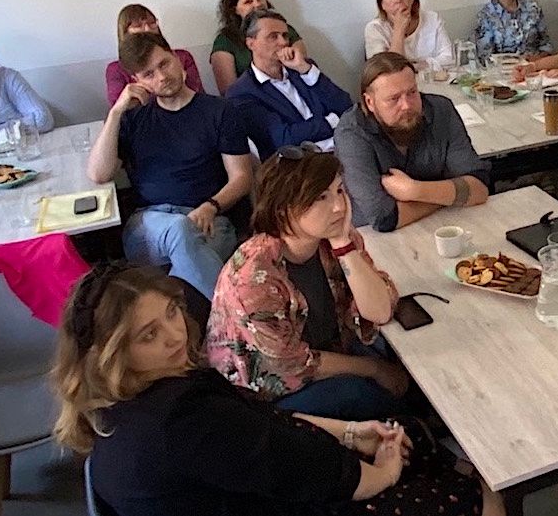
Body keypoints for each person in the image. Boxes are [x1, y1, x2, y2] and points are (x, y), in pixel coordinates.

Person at [53, 263, 502, 516]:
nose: (174, 335)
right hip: (274, 501)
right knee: (470, 498)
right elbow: (308, 472)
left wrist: (350, 433)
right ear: (113, 354)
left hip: (254, 487)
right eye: (148, 335)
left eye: (171, 313)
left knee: (403, 431)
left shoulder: (123, 400)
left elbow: (260, 423)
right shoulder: (182, 420)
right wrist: (382, 475)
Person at [206, 149, 407, 420]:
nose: (339, 206)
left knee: (405, 358)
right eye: (320, 198)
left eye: (339, 190)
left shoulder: (334, 238)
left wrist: (342, 245)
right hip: (265, 395)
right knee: (359, 393)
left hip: (329, 349)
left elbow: (379, 311)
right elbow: (291, 364)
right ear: (283, 209)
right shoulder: (253, 278)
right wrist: (374, 369)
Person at [88, 32, 252, 298]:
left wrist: (211, 206)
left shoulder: (219, 111)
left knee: (183, 279)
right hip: (149, 224)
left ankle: (190, 313)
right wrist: (116, 112)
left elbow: (242, 177)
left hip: (210, 218)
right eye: (149, 74)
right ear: (137, 81)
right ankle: (235, 312)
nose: (162, 77)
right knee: (179, 229)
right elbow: (98, 173)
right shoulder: (134, 119)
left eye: (164, 64)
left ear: (176, 57)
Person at [335, 52, 489, 232]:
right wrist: (448, 195)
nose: (407, 105)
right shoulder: (351, 133)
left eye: (412, 92)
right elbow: (384, 218)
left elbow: (479, 188)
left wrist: (416, 191)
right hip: (377, 238)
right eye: (394, 99)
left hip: (448, 224)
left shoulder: (441, 110)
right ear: (370, 102)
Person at [226, 10, 352, 157]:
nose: (283, 42)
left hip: (343, 147)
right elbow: (283, 138)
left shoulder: (302, 68)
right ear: (251, 43)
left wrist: (305, 69)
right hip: (300, 163)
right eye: (273, 36)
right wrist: (333, 121)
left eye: (285, 36)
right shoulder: (242, 91)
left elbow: (346, 106)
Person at [211, 0, 307, 94]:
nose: (257, 4)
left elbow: (303, 68)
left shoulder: (285, 29)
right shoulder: (225, 41)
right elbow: (228, 91)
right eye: (249, 1)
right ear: (235, 9)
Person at [105, 4, 204, 106]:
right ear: (125, 32)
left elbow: (199, 95)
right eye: (138, 25)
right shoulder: (116, 69)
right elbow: (119, 107)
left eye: (152, 23)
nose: (147, 29)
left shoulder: (183, 56)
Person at [363, 0, 454, 69]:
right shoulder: (375, 29)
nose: (398, 0)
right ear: (382, 4)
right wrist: (399, 29)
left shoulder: (432, 18)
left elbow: (450, 57)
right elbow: (387, 70)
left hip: (431, 77)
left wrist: (417, 67)